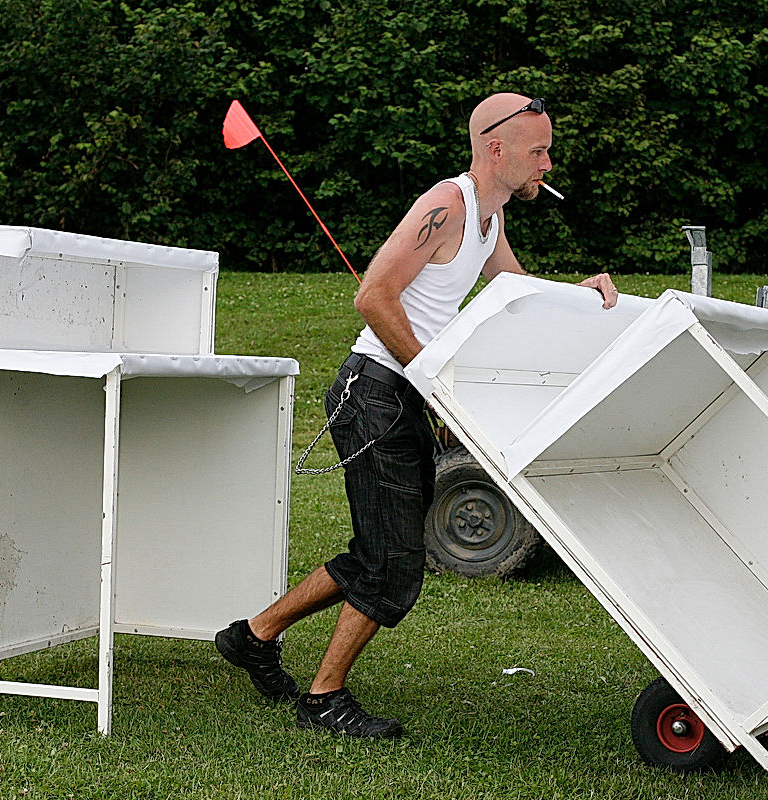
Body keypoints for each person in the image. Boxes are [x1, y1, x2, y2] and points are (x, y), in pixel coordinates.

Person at [215, 93, 619, 739]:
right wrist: (431, 379)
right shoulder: (447, 205)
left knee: (378, 549)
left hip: (400, 396)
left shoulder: (489, 218)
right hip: (375, 393)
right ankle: (323, 698)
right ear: (496, 149)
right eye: (539, 151)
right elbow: (373, 295)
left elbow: (517, 293)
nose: (548, 163)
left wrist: (582, 293)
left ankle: (253, 637)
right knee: (395, 564)